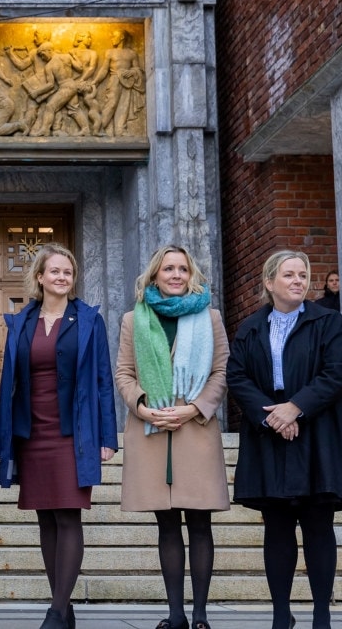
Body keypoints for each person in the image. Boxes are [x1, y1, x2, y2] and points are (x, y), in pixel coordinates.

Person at [227, 250, 342, 629]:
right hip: (269, 434)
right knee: (276, 526)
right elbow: (237, 376)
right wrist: (273, 414)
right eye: (288, 274)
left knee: (318, 524)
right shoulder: (250, 326)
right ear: (269, 281)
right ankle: (280, 616)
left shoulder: (329, 322)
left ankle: (321, 615)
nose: (297, 281)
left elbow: (336, 373)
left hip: (320, 433)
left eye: (303, 275)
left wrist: (295, 408)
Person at [0, 243, 118, 629]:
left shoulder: (88, 320)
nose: (62, 277)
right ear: (40, 277)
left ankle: (55, 613)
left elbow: (102, 380)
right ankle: (64, 610)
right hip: (32, 432)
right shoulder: (23, 321)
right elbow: (10, 381)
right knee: (46, 519)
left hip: (72, 432)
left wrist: (107, 436)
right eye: (55, 271)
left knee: (68, 516)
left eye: (68, 272)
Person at [114, 245, 230, 629]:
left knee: (200, 524)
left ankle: (199, 616)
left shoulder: (209, 317)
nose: (176, 275)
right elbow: (124, 374)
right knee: (166, 525)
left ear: (191, 274)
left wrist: (195, 408)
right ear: (154, 275)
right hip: (151, 430)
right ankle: (176, 614)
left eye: (183, 268)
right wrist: (143, 406)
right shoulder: (134, 319)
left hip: (195, 428)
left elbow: (221, 372)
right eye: (169, 269)